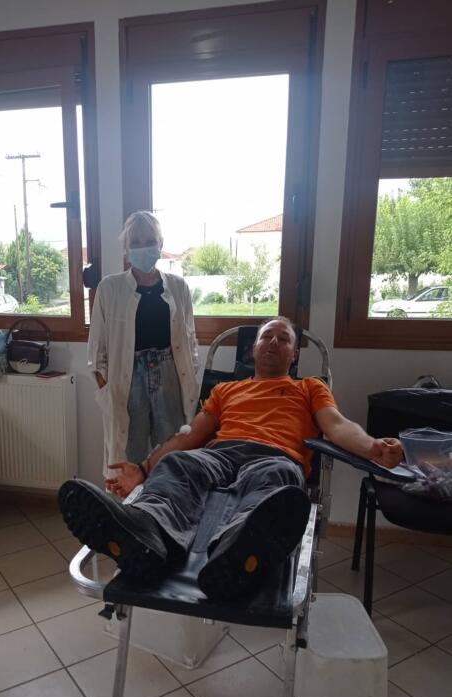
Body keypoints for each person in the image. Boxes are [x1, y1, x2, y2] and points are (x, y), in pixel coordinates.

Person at [61, 317, 403, 601]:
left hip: (275, 456)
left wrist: (373, 447)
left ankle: (236, 550)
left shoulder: (309, 387)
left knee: (275, 481)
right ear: (253, 349)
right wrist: (144, 468)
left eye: (283, 339)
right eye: (266, 336)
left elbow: (338, 426)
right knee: (179, 464)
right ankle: (147, 533)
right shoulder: (225, 390)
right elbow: (189, 437)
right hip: (221, 456)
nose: (273, 342)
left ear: (294, 354)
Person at [87, 210, 199, 478]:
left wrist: (191, 369)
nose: (143, 247)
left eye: (149, 241)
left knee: (171, 451)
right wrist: (105, 386)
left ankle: (167, 501)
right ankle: (129, 504)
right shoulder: (109, 288)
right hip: (127, 378)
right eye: (135, 242)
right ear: (126, 249)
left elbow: (190, 338)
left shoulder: (179, 287)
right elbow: (97, 348)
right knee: (129, 455)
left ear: (160, 245)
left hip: (170, 374)